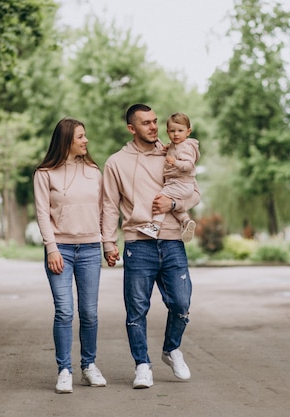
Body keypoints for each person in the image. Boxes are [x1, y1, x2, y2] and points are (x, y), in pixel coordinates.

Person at [102, 104, 200, 389]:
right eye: (146, 123)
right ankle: (142, 365)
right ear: (131, 128)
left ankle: (171, 349)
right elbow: (109, 205)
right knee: (136, 311)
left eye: (155, 121)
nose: (154, 127)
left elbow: (194, 191)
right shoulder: (116, 162)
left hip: (172, 241)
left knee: (181, 303)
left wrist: (173, 204)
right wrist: (109, 242)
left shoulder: (172, 153)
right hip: (137, 244)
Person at [33, 117, 107, 394]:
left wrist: (107, 243)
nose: (86, 141)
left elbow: (103, 209)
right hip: (60, 250)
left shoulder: (94, 171)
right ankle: (64, 370)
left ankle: (89, 366)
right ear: (66, 141)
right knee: (64, 311)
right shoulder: (44, 173)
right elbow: (42, 212)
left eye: (85, 136)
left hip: (89, 248)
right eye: (80, 137)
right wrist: (51, 247)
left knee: (89, 312)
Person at [136, 112, 199, 242]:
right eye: (172, 131)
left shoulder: (185, 146)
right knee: (172, 207)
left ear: (188, 132)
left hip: (180, 183)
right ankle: (186, 221)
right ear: (167, 132)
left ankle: (154, 227)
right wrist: (168, 149)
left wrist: (175, 162)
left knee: (161, 200)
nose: (176, 134)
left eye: (180, 131)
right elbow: (175, 150)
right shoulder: (175, 146)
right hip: (181, 184)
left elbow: (189, 165)